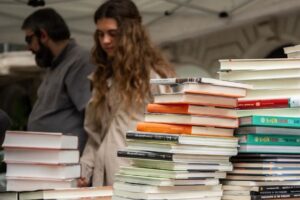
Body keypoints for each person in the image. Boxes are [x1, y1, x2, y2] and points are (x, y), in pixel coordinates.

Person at [79, 0, 175, 187]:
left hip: (139, 181)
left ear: (130, 33)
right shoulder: (101, 77)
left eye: (112, 34)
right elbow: (95, 135)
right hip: (103, 180)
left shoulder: (155, 77)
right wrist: (85, 169)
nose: (105, 40)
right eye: (101, 34)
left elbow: (172, 133)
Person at [22, 8, 95, 154]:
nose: (28, 47)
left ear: (43, 35)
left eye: (29, 39)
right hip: (49, 159)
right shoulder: (55, 63)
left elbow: (92, 115)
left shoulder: (79, 61)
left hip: (65, 162)